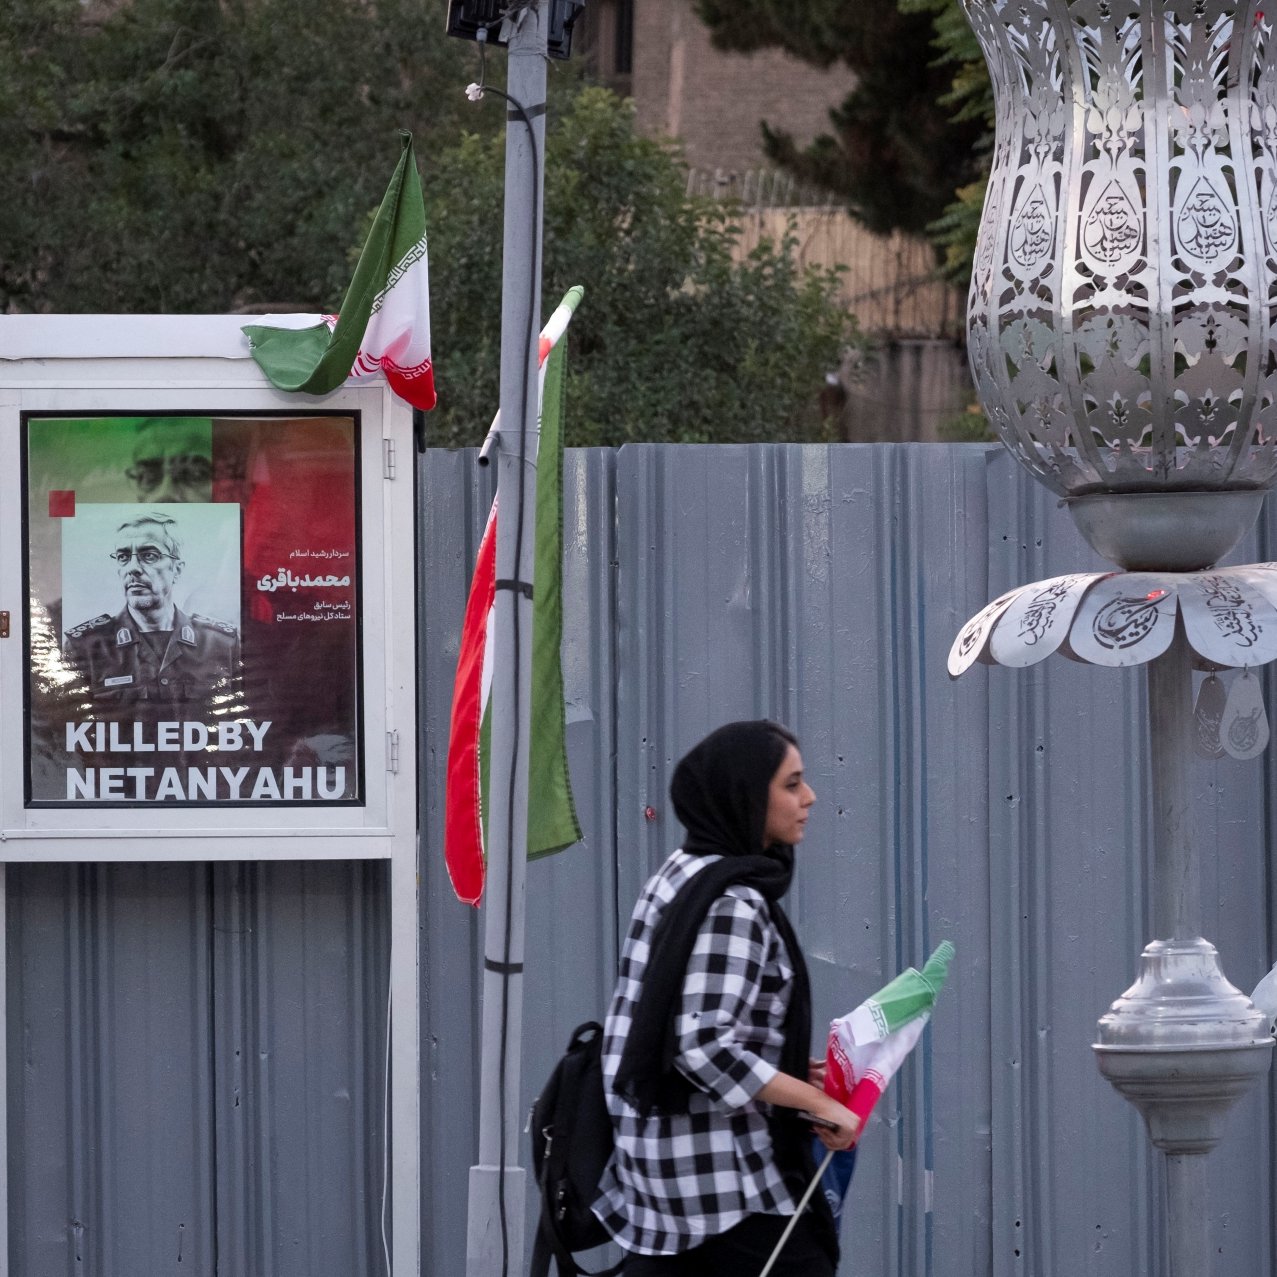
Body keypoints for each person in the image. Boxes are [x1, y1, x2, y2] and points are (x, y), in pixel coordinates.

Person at [594, 720, 859, 1276]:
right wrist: (821, 1105)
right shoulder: (732, 902)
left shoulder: (680, 873)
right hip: (716, 1184)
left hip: (658, 1169)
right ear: (745, 795)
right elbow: (702, 1046)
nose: (809, 798)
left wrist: (785, 1075)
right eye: (791, 784)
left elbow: (678, 1024)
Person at [62, 511, 239, 715]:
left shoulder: (221, 644)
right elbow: (68, 730)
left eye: (149, 556)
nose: (133, 568)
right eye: (123, 557)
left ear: (177, 569)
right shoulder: (85, 648)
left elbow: (241, 722)